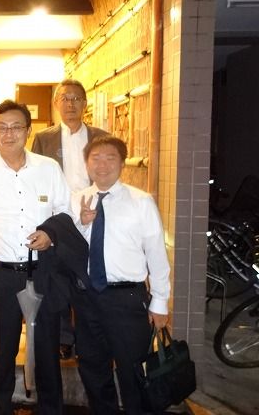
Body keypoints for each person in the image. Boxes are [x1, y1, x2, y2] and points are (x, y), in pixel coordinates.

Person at [0, 100, 71, 415]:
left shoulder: (48, 168)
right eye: (2, 127)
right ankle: (1, 408)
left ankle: (51, 409)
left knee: (46, 347)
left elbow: (65, 212)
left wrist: (51, 235)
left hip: (43, 271)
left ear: (28, 130)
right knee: (1, 350)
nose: (9, 133)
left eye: (16, 127)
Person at [71, 135, 171, 414]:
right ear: (86, 163)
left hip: (127, 299)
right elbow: (69, 249)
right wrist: (82, 223)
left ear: (122, 164)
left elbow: (156, 253)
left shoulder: (141, 202)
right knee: (92, 366)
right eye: (96, 158)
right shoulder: (76, 200)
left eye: (110, 158)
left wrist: (160, 301)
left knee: (133, 369)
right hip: (87, 297)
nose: (102, 165)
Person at [31, 78, 108, 360]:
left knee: (89, 276)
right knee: (60, 277)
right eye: (64, 98)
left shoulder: (100, 136)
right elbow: (35, 177)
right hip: (59, 218)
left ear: (85, 104)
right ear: (56, 103)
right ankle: (64, 337)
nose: (70, 104)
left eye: (76, 98)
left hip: (93, 215)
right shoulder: (43, 138)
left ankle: (91, 337)